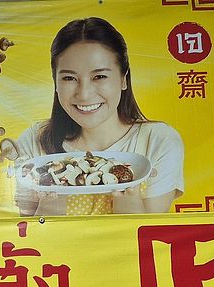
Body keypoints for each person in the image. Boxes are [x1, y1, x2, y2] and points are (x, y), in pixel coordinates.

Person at [15, 17, 184, 216]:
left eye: (100, 76)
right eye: (69, 78)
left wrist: (129, 204)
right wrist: (50, 205)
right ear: (55, 83)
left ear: (123, 79)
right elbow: (27, 232)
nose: (84, 94)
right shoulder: (33, 142)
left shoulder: (158, 141)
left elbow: (149, 232)